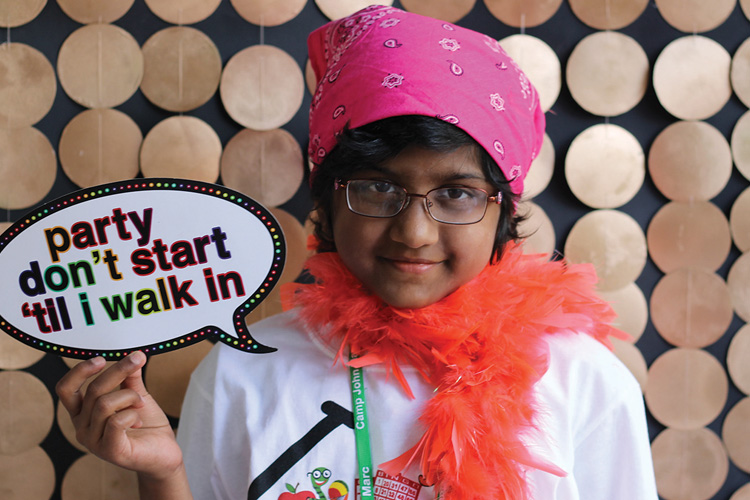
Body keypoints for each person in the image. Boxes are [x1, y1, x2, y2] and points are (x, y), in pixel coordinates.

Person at [56, 6, 658, 500]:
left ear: (503, 209)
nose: (415, 233)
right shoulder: (242, 374)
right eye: (377, 187)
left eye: (455, 193)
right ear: (329, 198)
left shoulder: (587, 384)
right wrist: (162, 475)